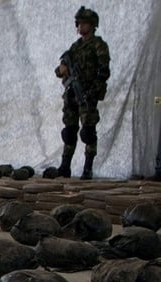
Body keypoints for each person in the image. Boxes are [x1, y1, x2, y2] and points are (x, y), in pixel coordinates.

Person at [55, 6, 110, 180]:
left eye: (84, 23)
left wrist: (93, 91)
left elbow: (104, 72)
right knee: (69, 131)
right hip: (71, 93)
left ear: (92, 25)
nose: (80, 26)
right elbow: (60, 70)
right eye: (78, 23)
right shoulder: (75, 47)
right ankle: (65, 166)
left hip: (87, 94)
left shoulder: (99, 45)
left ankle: (88, 168)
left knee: (88, 132)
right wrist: (62, 69)